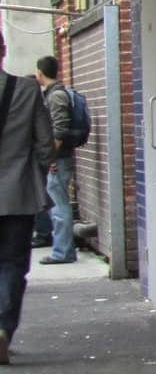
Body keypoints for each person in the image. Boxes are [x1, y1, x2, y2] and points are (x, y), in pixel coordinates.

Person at [0, 32, 54, 364]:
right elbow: (45, 143)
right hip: (17, 193)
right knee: (12, 264)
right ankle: (3, 329)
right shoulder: (27, 90)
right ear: (4, 51)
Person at [35, 54, 78, 264]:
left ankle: (62, 252)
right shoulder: (55, 94)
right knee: (58, 204)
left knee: (59, 206)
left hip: (58, 160)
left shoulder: (56, 96)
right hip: (59, 158)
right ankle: (62, 249)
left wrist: (51, 157)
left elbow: (59, 130)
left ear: (40, 73)